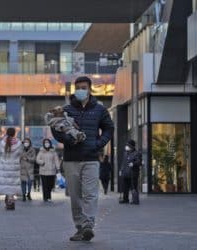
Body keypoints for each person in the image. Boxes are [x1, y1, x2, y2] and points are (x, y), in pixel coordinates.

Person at [51, 76, 114, 241]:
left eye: (83, 87)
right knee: (75, 196)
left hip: (91, 158)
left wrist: (98, 143)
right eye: (78, 87)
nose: (80, 90)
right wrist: (69, 140)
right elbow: (56, 130)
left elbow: (109, 128)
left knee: (91, 194)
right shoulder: (66, 109)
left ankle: (88, 225)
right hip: (71, 159)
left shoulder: (99, 109)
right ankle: (80, 227)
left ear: (89, 89)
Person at [0, 128, 22, 209]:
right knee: (12, 184)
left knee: (6, 184)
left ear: (6, 133)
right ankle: (11, 199)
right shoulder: (19, 143)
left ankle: (8, 200)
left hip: (4, 166)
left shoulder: (2, 142)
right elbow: (20, 154)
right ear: (14, 133)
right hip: (14, 167)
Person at [119, 139, 142, 205]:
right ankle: (125, 199)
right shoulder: (126, 153)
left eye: (128, 145)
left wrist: (133, 163)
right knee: (125, 187)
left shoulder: (137, 153)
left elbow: (139, 162)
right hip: (126, 173)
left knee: (133, 187)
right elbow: (123, 163)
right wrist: (121, 170)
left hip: (133, 173)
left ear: (132, 146)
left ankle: (135, 200)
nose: (126, 147)